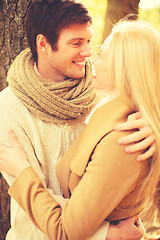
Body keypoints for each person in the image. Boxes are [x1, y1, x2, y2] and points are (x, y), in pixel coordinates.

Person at [0, 0, 155, 238]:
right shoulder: (10, 108)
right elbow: (35, 212)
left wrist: (155, 125)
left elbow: (145, 80)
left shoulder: (101, 92)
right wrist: (105, 235)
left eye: (90, 42)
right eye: (76, 43)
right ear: (44, 44)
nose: (88, 54)